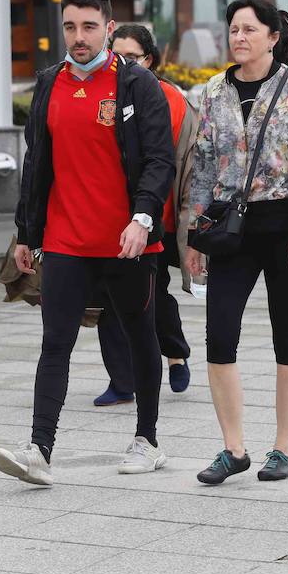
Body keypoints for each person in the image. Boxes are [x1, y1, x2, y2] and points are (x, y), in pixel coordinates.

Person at [0, 0, 175, 485]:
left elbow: (159, 161)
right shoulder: (50, 82)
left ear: (109, 28)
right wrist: (27, 232)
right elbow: (36, 163)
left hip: (127, 242)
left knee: (142, 339)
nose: (79, 37)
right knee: (55, 343)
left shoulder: (137, 85)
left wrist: (143, 219)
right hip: (67, 241)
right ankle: (39, 450)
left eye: (89, 27)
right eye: (71, 26)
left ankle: (148, 439)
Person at [183, 0, 288, 486]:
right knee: (219, 336)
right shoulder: (212, 93)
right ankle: (233, 448)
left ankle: (283, 448)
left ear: (273, 36)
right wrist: (194, 237)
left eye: (249, 30)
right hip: (231, 232)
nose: (239, 38)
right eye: (233, 30)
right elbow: (201, 168)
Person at [93, 24, 195, 406]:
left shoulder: (170, 101)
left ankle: (176, 353)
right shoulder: (99, 92)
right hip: (107, 217)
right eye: (115, 55)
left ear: (149, 61)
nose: (120, 64)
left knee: (155, 297)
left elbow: (174, 165)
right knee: (108, 298)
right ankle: (122, 381)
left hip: (157, 219)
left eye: (130, 57)